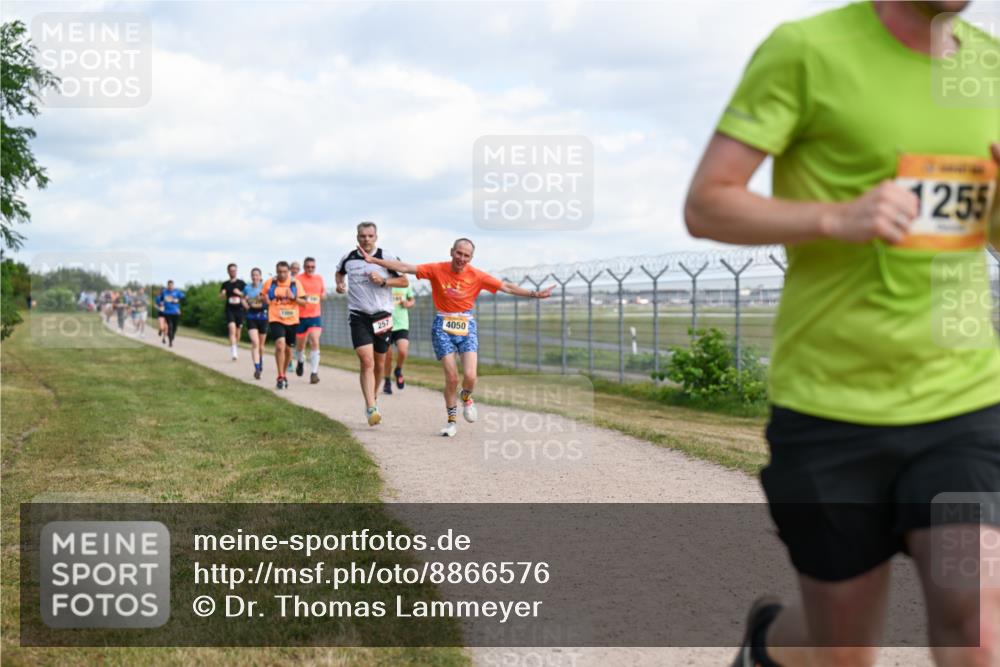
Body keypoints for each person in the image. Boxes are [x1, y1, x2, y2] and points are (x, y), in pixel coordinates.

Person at [683, 2, 1000, 666]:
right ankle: (769, 647)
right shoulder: (807, 50)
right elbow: (707, 203)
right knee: (841, 650)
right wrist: (836, 216)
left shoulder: (991, 66)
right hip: (833, 406)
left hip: (963, 401)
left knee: (978, 622)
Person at [358, 238, 554, 436]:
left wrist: (535, 294)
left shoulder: (476, 275)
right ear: (452, 252)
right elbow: (405, 267)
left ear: (471, 258)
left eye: (466, 255)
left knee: (470, 376)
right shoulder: (436, 269)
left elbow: (507, 287)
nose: (461, 258)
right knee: (451, 378)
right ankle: (451, 422)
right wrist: (375, 261)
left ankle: (466, 397)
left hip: (466, 326)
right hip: (442, 326)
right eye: (459, 253)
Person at [336, 222, 409, 426]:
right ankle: (370, 407)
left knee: (380, 362)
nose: (366, 239)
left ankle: (373, 397)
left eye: (370, 236)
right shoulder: (348, 258)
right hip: (359, 315)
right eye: (362, 236)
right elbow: (339, 272)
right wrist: (340, 284)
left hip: (382, 315)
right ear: (357, 237)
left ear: (376, 237)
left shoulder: (386, 257)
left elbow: (404, 282)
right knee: (366, 361)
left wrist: (384, 282)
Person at [261, 261, 299, 390]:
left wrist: (293, 297)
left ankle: (284, 373)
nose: (282, 274)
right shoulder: (270, 283)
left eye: (284, 272)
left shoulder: (295, 283)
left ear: (288, 272)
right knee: (280, 345)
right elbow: (262, 296)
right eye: (279, 272)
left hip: (292, 319)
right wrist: (264, 299)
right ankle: (280, 375)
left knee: (289, 351)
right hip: (275, 317)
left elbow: (304, 302)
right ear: (276, 272)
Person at [294, 257, 325, 384]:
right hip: (300, 317)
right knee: (300, 345)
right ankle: (300, 361)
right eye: (308, 267)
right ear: (304, 267)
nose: (310, 269)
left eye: (312, 267)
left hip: (315, 316)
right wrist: (304, 299)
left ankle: (314, 373)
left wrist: (321, 297)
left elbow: (322, 294)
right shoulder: (298, 280)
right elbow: (294, 297)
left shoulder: (319, 279)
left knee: (314, 340)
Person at [382, 279, 415, 394]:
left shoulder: (405, 283)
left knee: (403, 350)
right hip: (386, 324)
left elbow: (412, 300)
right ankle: (387, 381)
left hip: (402, 324)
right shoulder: (385, 283)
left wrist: (408, 304)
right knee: (388, 356)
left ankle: (398, 370)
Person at [243, 267, 269, 379]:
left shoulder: (264, 287)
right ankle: (257, 368)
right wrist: (245, 304)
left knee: (261, 346)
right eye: (253, 275)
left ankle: (260, 360)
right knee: (255, 342)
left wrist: (259, 301)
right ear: (251, 276)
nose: (255, 277)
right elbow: (243, 299)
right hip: (251, 317)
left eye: (257, 275)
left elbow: (268, 302)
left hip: (263, 317)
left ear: (260, 276)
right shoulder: (247, 288)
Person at [220, 263, 246, 361]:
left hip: (239, 309)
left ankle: (235, 346)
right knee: (232, 329)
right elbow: (221, 297)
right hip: (229, 309)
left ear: (236, 271)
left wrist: (240, 293)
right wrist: (223, 294)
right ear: (228, 272)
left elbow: (247, 296)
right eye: (231, 270)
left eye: (234, 270)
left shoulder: (241, 283)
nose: (233, 272)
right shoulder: (225, 284)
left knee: (238, 332)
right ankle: (233, 351)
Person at [155, 281, 184, 347]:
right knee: (170, 326)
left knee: (175, 328)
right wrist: (162, 303)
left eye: (171, 285)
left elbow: (183, 297)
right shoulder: (164, 292)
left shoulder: (177, 291)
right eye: (169, 285)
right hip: (167, 312)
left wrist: (178, 300)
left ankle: (172, 335)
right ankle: (170, 342)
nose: (170, 286)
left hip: (176, 312)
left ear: (173, 285)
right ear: (167, 285)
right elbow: (161, 298)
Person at [286, 260, 302, 375]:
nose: (295, 270)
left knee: (300, 338)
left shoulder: (301, 280)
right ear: (290, 269)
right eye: (293, 268)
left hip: (304, 313)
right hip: (291, 313)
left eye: (297, 268)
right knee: (290, 340)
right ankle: (290, 362)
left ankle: (298, 355)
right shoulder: (288, 280)